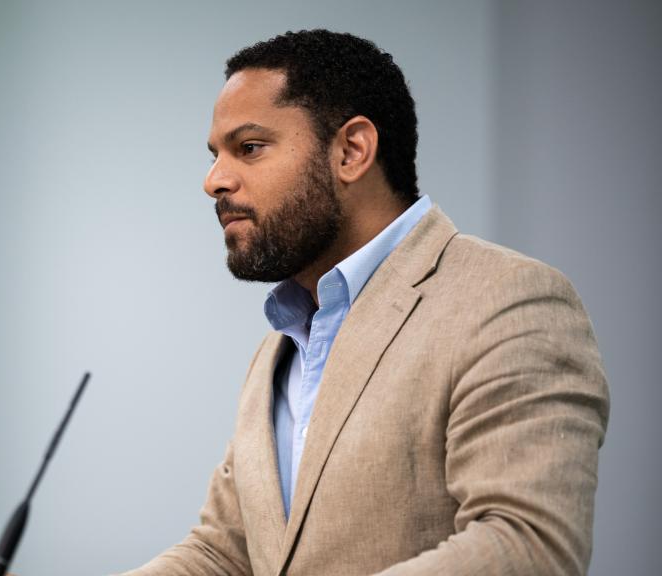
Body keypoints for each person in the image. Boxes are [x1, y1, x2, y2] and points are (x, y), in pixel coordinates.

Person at [120, 29, 609, 575]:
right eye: (215, 155)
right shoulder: (280, 348)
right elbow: (224, 553)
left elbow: (528, 547)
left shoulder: (508, 302)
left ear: (352, 150)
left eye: (249, 147)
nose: (215, 180)